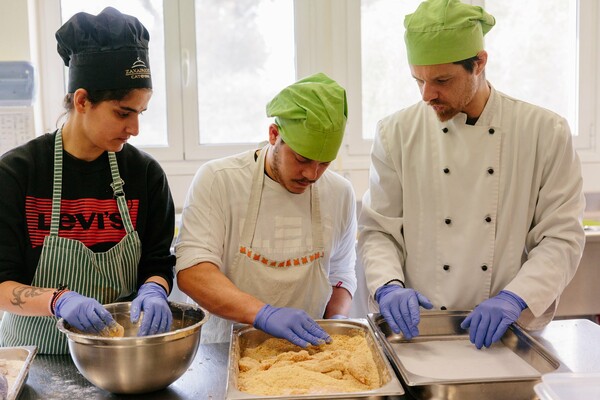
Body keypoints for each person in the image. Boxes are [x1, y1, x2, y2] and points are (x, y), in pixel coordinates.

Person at [358, 0, 585, 349]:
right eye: (418, 79)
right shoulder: (395, 133)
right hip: (422, 332)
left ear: (479, 63)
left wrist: (516, 298)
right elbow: (379, 230)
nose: (427, 95)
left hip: (508, 334)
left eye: (442, 80)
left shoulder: (543, 131)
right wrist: (388, 285)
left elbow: (561, 237)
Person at [0, 7, 175, 354]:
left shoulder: (145, 176)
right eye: (123, 113)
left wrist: (155, 289)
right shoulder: (17, 174)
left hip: (120, 360)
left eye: (140, 113)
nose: (134, 129)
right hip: (36, 359)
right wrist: (58, 301)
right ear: (82, 100)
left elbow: (157, 263)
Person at [175, 72, 357, 346]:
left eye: (325, 163)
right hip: (224, 351)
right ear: (274, 135)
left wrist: (334, 328)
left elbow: (341, 275)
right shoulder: (219, 179)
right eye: (302, 159)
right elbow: (193, 272)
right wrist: (263, 314)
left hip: (305, 354)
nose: (312, 174)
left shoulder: (340, 193)